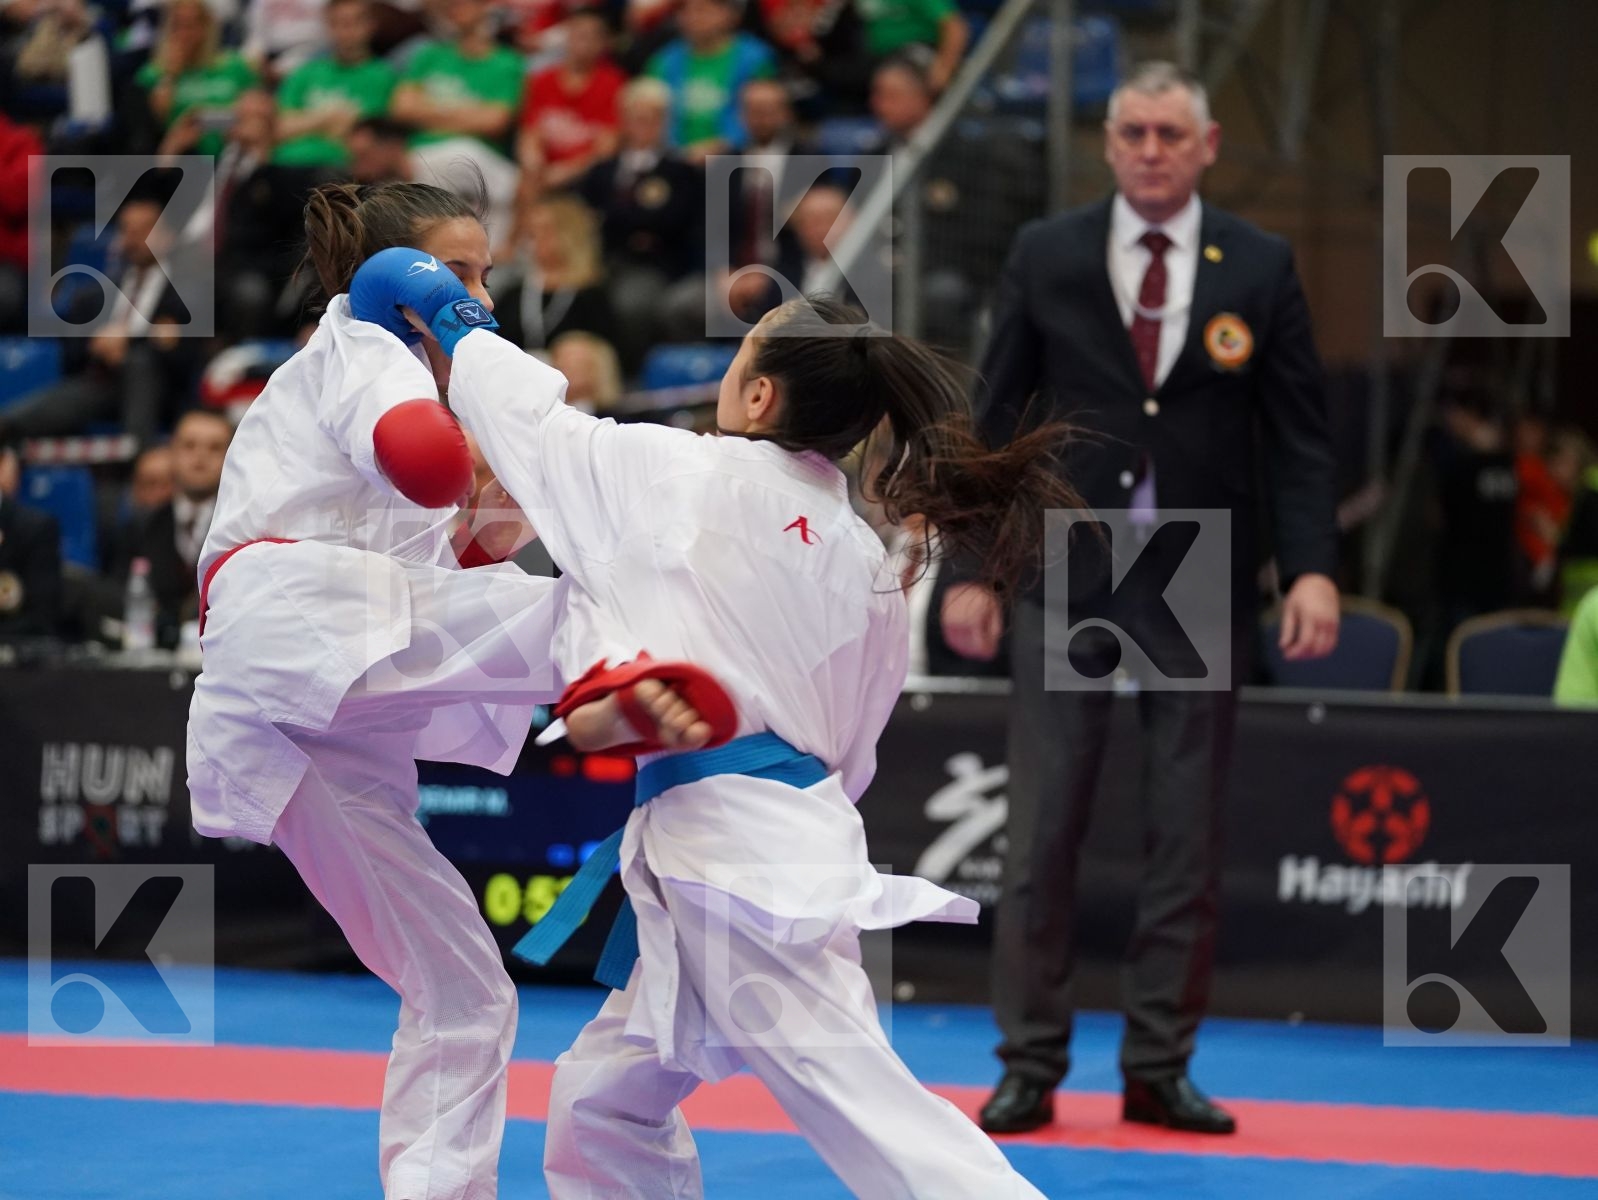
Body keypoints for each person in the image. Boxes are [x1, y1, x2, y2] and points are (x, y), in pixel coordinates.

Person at [350, 246, 1070, 1197]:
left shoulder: (674, 473)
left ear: (761, 397)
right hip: (773, 838)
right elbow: (855, 748)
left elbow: (529, 423)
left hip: (736, 868)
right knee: (603, 1104)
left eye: (743, 353)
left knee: (872, 1110)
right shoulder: (864, 560)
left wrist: (455, 321)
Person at [187, 179, 721, 1200]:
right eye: (455, 274)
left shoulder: (411, 380)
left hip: (311, 715)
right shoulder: (363, 343)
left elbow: (442, 563)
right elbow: (427, 468)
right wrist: (478, 427)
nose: (477, 296)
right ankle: (655, 682)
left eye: (485, 275)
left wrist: (496, 518)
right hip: (301, 637)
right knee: (584, 608)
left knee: (463, 992)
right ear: (398, 280)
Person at [941, 61, 1341, 1137]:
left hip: (1195, 564)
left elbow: (1299, 436)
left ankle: (1159, 1065)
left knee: (1184, 834)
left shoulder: (1258, 263)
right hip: (1069, 553)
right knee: (1042, 830)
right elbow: (992, 417)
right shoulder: (1049, 252)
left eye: (1170, 133)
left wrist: (1309, 565)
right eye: (1133, 132)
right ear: (1108, 143)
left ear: (1207, 145)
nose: (1151, 150)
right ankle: (1028, 1063)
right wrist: (973, 567)